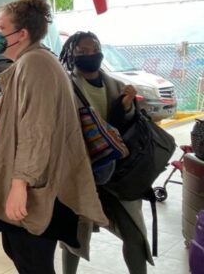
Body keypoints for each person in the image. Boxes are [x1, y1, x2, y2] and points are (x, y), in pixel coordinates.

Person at [0, 0, 107, 274]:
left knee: (33, 262)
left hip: (38, 192)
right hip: (34, 187)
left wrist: (19, 186)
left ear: (21, 34)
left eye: (0, 28)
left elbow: (37, 132)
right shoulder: (31, 62)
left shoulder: (35, 64)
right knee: (21, 255)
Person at [59, 31, 152, 274]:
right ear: (72, 54)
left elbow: (126, 127)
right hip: (81, 173)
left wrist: (127, 107)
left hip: (118, 174)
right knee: (73, 238)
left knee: (134, 235)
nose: (91, 55)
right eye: (83, 52)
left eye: (95, 49)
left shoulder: (117, 86)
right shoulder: (65, 85)